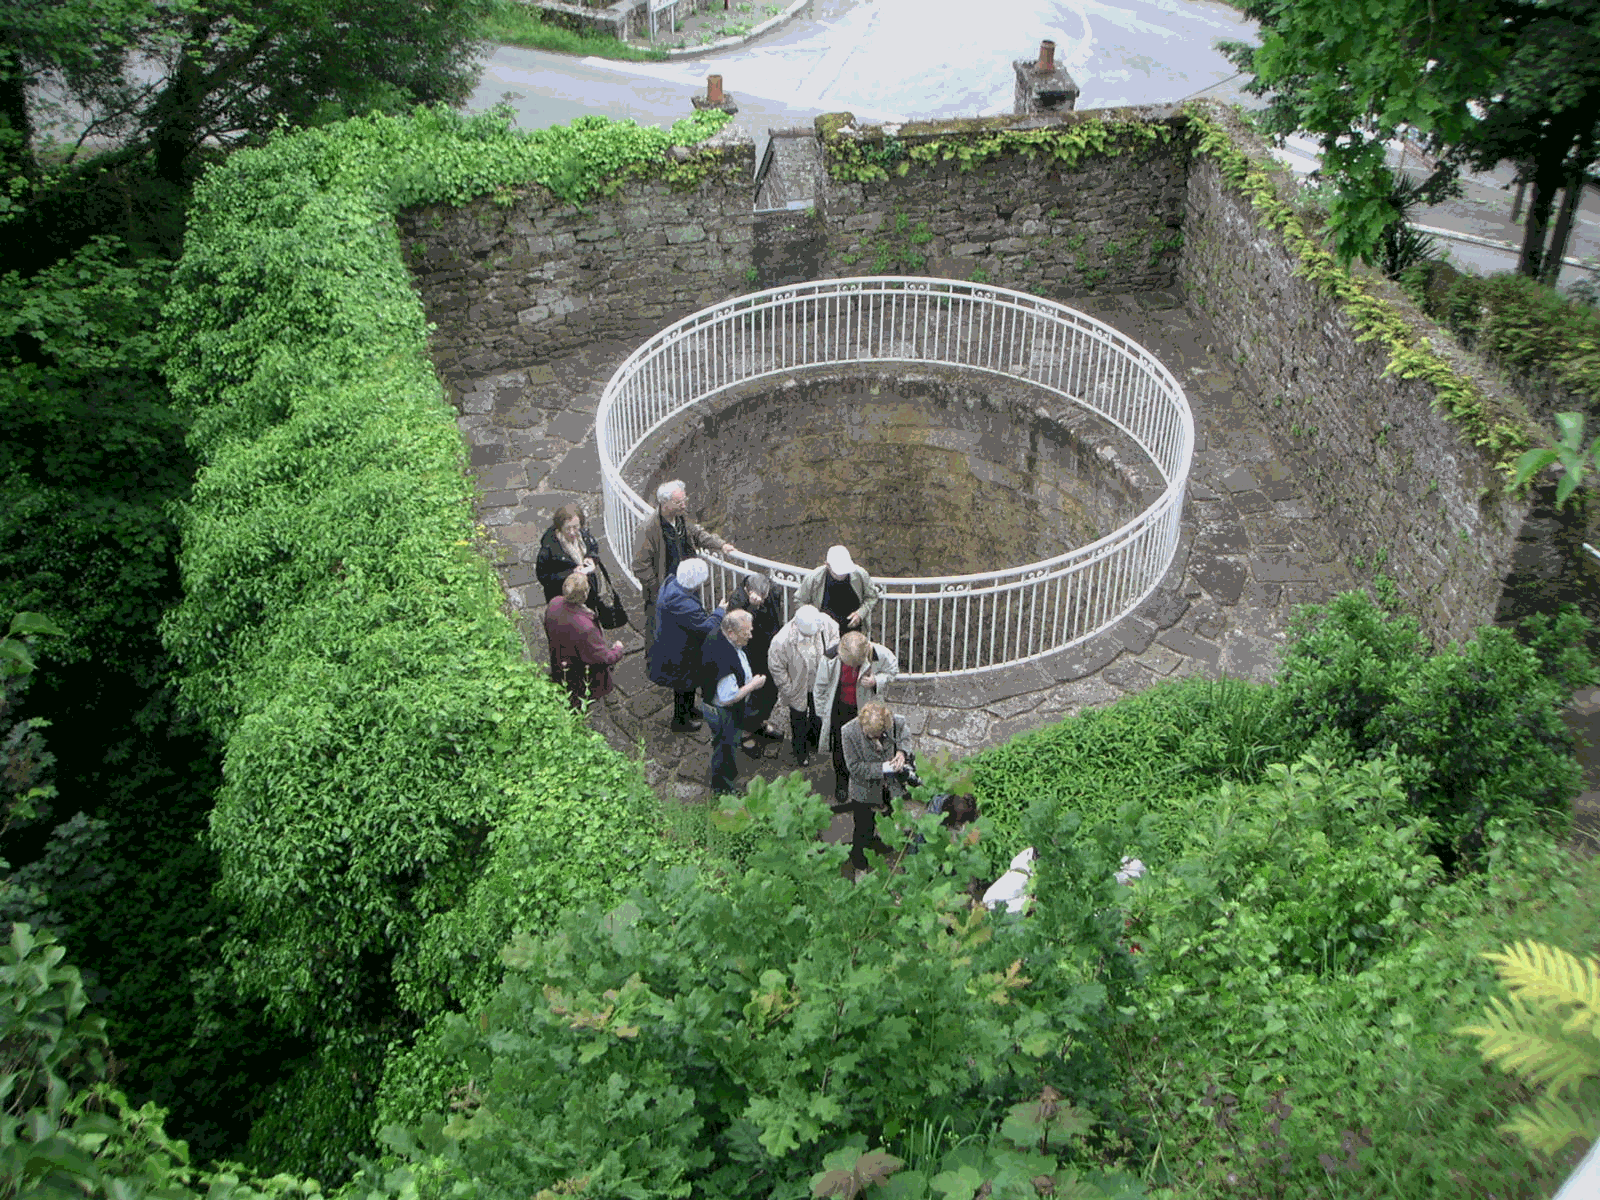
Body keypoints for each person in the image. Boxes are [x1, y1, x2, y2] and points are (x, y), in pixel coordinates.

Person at [631, 480, 734, 656]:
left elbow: (698, 533)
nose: (684, 505)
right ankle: (655, 661)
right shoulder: (648, 529)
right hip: (663, 589)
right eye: (679, 503)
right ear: (664, 504)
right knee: (656, 626)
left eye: (684, 500)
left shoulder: (680, 518)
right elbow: (640, 566)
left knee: (682, 628)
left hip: (685, 584)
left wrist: (721, 545)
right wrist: (659, 589)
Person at [815, 630, 901, 806]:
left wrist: (876, 680)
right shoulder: (830, 657)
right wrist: (823, 713)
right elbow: (820, 688)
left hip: (867, 709)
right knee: (840, 745)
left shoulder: (879, 653)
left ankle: (871, 780)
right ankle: (842, 780)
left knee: (871, 743)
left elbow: (893, 672)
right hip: (840, 708)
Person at [699, 609, 768, 797]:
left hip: (714, 707)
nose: (751, 636)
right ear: (731, 633)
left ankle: (724, 777)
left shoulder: (718, 635)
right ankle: (722, 790)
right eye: (746, 633)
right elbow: (727, 697)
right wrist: (753, 685)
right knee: (725, 748)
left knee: (723, 745)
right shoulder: (723, 657)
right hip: (723, 713)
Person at [647, 557, 720, 732]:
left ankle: (689, 710)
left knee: (687, 684)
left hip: (675, 646)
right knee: (683, 685)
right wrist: (720, 612)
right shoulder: (684, 604)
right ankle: (680, 721)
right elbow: (706, 627)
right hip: (679, 653)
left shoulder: (672, 583)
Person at [840, 701, 914, 872]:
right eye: (870, 736)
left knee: (889, 820)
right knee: (863, 830)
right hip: (865, 791)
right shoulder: (848, 732)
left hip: (889, 789)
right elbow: (854, 767)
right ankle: (860, 865)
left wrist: (902, 752)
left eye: (879, 735)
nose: (875, 739)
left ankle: (883, 847)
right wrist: (884, 768)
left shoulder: (894, 722)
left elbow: (905, 735)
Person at [768, 604, 840, 767]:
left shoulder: (825, 623)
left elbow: (835, 635)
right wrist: (789, 689)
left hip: (818, 684)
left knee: (818, 714)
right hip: (798, 687)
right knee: (798, 719)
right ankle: (800, 752)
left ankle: (814, 742)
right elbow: (776, 667)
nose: (812, 637)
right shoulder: (781, 640)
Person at [543, 571, 624, 712]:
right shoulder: (585, 627)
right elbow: (603, 658)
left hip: (561, 663)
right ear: (585, 594)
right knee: (580, 701)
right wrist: (618, 650)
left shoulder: (554, 603)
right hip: (580, 674)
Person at [727, 572, 782, 738]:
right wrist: (752, 607)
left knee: (771, 688)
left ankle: (759, 721)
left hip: (769, 647)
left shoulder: (770, 590)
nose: (764, 599)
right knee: (751, 690)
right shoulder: (737, 600)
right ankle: (746, 729)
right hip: (750, 651)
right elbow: (738, 629)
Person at [796, 545, 880, 631]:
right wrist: (814, 618)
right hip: (824, 632)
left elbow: (872, 596)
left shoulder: (860, 575)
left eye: (845, 572)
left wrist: (860, 613)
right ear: (827, 565)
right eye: (839, 573)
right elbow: (799, 600)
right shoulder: (813, 578)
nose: (843, 576)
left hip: (853, 631)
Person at [535, 504, 601, 607]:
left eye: (575, 527)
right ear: (560, 527)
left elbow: (593, 547)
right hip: (565, 600)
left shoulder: (583, 535)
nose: (572, 532)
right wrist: (572, 573)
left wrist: (591, 558)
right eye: (567, 528)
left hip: (587, 594)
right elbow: (544, 577)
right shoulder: (549, 548)